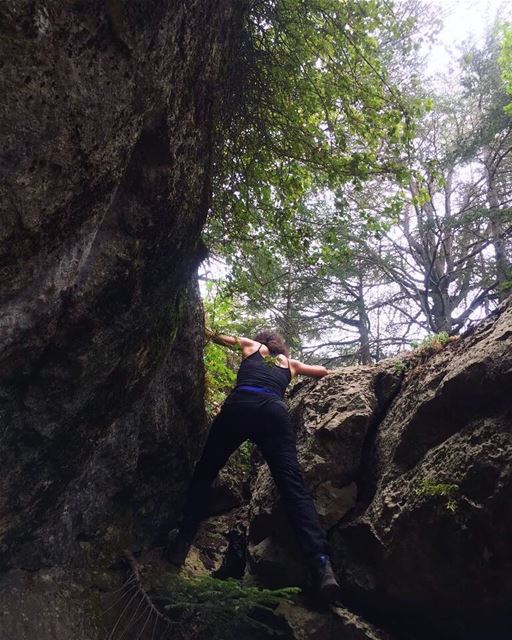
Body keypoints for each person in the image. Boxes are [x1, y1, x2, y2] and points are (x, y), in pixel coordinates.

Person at [166, 328, 341, 602]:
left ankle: (181, 542)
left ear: (261, 340)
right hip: (273, 411)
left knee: (206, 471)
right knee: (293, 486)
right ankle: (321, 565)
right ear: (280, 346)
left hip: (240, 405)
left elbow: (213, 334)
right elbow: (323, 371)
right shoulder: (290, 364)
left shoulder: (251, 347)